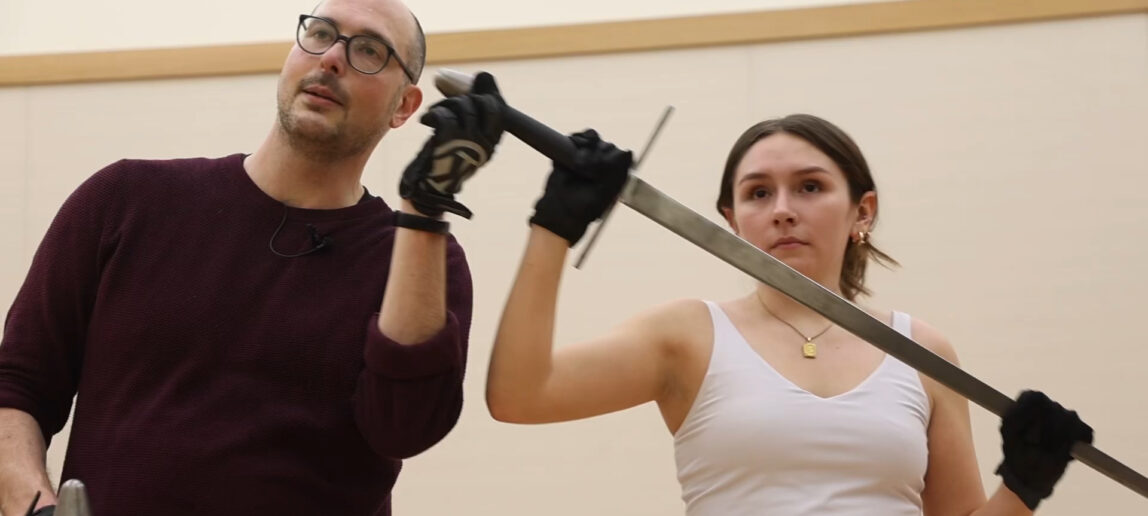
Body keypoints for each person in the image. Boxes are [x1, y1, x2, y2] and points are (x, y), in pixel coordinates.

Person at [0, 0, 507, 513]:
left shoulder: (422, 262)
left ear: (405, 105)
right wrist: (35, 509)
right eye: (320, 34)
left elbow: (404, 427)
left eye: (369, 50)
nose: (332, 58)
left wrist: (424, 208)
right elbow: (15, 387)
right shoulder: (125, 199)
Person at [487, 116, 1094, 514]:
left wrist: (1022, 484)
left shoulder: (922, 351)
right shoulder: (688, 336)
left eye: (809, 187)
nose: (782, 210)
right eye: (757, 192)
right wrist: (553, 227)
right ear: (729, 219)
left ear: (863, 211)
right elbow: (519, 395)